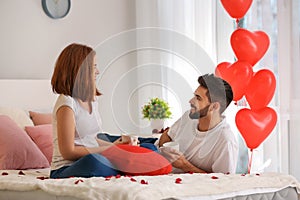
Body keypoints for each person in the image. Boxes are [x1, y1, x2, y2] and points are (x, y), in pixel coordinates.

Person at [50, 43, 129, 178]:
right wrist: (109, 150)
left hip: (95, 157)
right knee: (95, 162)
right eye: (93, 67)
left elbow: (93, 138)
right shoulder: (66, 104)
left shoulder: (91, 99)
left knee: (144, 148)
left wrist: (117, 146)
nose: (97, 71)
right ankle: (126, 166)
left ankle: (127, 162)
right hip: (67, 167)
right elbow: (68, 152)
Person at [158, 73, 238, 174]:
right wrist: (165, 151)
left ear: (214, 107)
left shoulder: (226, 141)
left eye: (198, 98)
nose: (191, 101)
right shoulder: (188, 117)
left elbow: (222, 182)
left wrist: (184, 165)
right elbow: (166, 135)